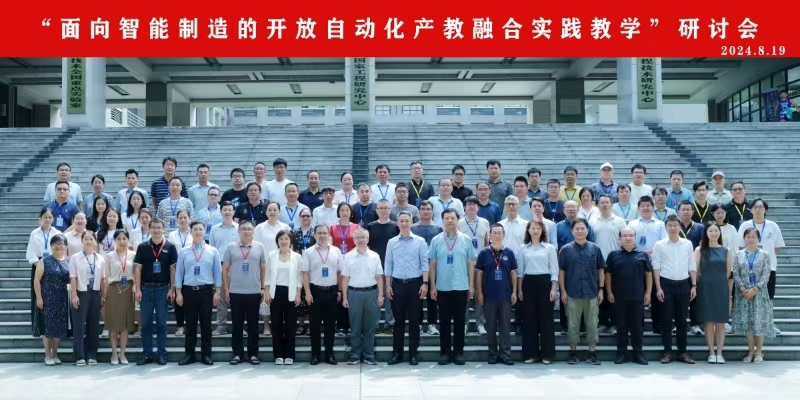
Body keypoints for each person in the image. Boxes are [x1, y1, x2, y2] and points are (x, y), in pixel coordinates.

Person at [429, 209, 476, 365]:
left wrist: (471, 285)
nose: (450, 221)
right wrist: (432, 286)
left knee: (460, 321)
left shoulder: (466, 239)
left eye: (452, 218)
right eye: (447, 218)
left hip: (461, 286)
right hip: (442, 287)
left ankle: (458, 353)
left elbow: (470, 263)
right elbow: (432, 265)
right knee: (444, 321)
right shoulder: (436, 240)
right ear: (442, 221)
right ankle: (444, 352)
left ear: (458, 220)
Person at [175, 221, 222, 366]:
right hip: (189, 291)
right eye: (195, 229)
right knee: (190, 325)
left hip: (206, 291)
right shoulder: (184, 251)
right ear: (190, 232)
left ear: (204, 232)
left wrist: (217, 292)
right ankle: (189, 354)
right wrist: (178, 292)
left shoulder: (212, 251)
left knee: (206, 324)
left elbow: (217, 272)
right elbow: (179, 273)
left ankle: (206, 354)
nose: (198, 232)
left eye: (201, 229)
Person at [559, 218, 605, 365]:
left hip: (592, 293)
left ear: (587, 230)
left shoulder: (595, 249)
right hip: (572, 293)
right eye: (577, 229)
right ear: (572, 231)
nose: (580, 231)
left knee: (592, 324)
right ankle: (573, 353)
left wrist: (601, 290)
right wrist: (563, 292)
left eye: (582, 228)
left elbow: (601, 270)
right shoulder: (565, 250)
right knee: (573, 324)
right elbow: (561, 272)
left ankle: (592, 353)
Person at [384, 212, 429, 365]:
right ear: (397, 223)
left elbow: (424, 263)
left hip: (415, 285)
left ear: (411, 222)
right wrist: (388, 285)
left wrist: (425, 283)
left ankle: (413, 354)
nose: (404, 223)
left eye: (406, 221)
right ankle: (397, 353)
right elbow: (388, 264)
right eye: (401, 221)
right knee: (398, 321)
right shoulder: (392, 242)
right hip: (397, 285)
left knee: (414, 321)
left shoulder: (420, 241)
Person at [652, 215, 697, 364]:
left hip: (684, 285)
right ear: (665, 227)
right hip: (666, 285)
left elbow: (692, 265)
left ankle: (682, 352)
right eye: (670, 225)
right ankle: (667, 352)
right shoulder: (659, 245)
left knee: (682, 320)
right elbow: (656, 267)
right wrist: (658, 288)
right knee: (666, 320)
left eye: (675, 225)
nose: (672, 228)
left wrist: (694, 285)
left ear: (680, 227)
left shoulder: (687, 244)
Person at [605, 226, 652, 365]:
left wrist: (648, 293)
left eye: (630, 235)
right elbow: (608, 275)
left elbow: (648, 275)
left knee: (637, 327)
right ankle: (621, 353)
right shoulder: (613, 255)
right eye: (624, 235)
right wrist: (609, 292)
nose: (628, 238)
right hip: (619, 297)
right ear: (619, 238)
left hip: (637, 297)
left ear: (635, 238)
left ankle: (638, 353)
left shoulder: (643, 255)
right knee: (621, 327)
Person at [134, 219, 179, 366]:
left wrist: (172, 289)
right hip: (146, 289)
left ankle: (161, 354)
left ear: (163, 229)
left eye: (159, 227)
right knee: (146, 325)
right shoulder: (142, 247)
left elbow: (173, 270)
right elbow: (137, 269)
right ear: (149, 229)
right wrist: (138, 289)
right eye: (153, 227)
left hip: (162, 289)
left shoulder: (170, 247)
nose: (156, 230)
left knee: (161, 324)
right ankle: (147, 354)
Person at [223, 220, 267, 365]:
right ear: (238, 231)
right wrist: (226, 288)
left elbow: (263, 269)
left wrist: (263, 288)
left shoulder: (260, 247)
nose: (246, 231)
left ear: (253, 231)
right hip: (235, 291)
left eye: (249, 229)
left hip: (254, 291)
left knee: (253, 325)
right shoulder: (231, 247)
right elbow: (225, 269)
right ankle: (237, 354)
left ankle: (253, 353)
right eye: (243, 229)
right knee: (237, 325)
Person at [737, 198, 784, 335]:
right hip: (747, 269)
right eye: (755, 207)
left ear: (766, 210)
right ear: (751, 210)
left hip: (768, 268)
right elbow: (740, 246)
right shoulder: (745, 225)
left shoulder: (773, 226)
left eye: (760, 207)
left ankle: (769, 324)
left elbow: (777, 247)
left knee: (768, 297)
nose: (758, 209)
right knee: (749, 297)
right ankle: (750, 325)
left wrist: (762, 259)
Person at [301, 224, 344, 365]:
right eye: (319, 233)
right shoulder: (308, 252)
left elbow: (340, 272)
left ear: (329, 235)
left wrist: (339, 290)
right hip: (315, 291)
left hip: (331, 291)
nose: (322, 235)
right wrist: (307, 292)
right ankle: (315, 354)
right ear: (314, 235)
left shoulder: (336, 251)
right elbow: (305, 274)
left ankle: (329, 354)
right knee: (315, 325)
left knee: (330, 325)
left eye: (325, 233)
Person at [475, 224, 518, 365]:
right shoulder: (484, 253)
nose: (497, 235)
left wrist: (514, 292)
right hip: (489, 296)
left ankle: (506, 355)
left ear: (503, 235)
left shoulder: (509, 253)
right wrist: (479, 292)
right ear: (490, 235)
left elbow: (513, 273)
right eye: (494, 233)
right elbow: (479, 274)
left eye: (500, 233)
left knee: (505, 327)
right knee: (491, 327)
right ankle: (493, 354)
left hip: (505, 296)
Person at [732, 228, 775, 363]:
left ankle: (759, 352)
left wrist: (755, 288)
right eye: (748, 236)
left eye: (754, 237)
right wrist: (742, 288)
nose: (751, 239)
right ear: (744, 238)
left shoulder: (764, 254)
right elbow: (736, 273)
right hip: (743, 293)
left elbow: (766, 273)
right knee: (748, 323)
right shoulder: (738, 254)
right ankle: (751, 351)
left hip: (759, 293)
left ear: (758, 239)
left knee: (759, 322)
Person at [341, 228, 384, 365]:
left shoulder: (375, 256)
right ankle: (354, 355)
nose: (360, 240)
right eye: (358, 237)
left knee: (370, 326)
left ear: (368, 239)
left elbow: (379, 277)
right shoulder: (348, 257)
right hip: (354, 294)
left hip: (371, 293)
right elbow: (345, 279)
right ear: (354, 240)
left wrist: (380, 295)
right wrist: (345, 298)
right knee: (355, 326)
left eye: (363, 237)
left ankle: (368, 355)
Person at [517, 220, 558, 364]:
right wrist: (519, 289)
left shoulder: (549, 248)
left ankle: (547, 354)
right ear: (528, 230)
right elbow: (520, 271)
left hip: (545, 283)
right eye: (532, 228)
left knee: (546, 320)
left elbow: (554, 270)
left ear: (542, 231)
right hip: (528, 284)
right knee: (529, 320)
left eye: (538, 228)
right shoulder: (523, 248)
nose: (535, 230)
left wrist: (553, 288)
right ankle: (531, 354)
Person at [695, 222, 733, 364]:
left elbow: (728, 272)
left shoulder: (726, 250)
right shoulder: (700, 250)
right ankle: (711, 352)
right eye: (710, 231)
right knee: (709, 322)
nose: (714, 233)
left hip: (721, 287)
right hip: (705, 288)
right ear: (706, 233)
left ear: (719, 233)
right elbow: (696, 271)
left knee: (721, 322)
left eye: (716, 230)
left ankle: (720, 353)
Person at [264, 230, 303, 365]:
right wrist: (267, 292)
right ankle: (278, 355)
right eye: (281, 239)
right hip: (275, 292)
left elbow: (299, 277)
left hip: (291, 292)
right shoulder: (271, 255)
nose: (284, 241)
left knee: (291, 325)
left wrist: (298, 293)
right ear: (277, 241)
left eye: (286, 239)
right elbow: (267, 276)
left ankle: (290, 355)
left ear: (290, 241)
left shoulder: (297, 257)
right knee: (276, 325)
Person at [32, 234, 71, 366]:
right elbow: (36, 280)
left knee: (59, 329)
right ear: (51, 245)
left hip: (62, 299)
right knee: (47, 328)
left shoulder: (69, 261)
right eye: (56, 243)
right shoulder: (45, 260)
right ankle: (47, 355)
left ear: (66, 246)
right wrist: (39, 298)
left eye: (62, 243)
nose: (59, 246)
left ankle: (55, 354)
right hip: (46, 299)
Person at [69, 231, 106, 366]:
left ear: (95, 241)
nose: (89, 241)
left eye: (91, 239)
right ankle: (79, 356)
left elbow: (102, 278)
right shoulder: (75, 257)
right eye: (86, 239)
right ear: (82, 241)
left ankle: (91, 355)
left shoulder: (100, 258)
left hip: (95, 293)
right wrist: (74, 295)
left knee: (93, 325)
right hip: (81, 292)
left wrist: (103, 295)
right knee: (79, 326)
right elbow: (73, 277)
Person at [366, 199, 400, 334]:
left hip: (391, 266)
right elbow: (367, 246)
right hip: (374, 266)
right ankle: (374, 324)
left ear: (390, 210)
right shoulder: (370, 226)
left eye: (386, 208)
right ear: (377, 211)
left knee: (389, 296)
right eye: (381, 208)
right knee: (375, 296)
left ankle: (389, 324)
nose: (383, 210)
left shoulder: (396, 226)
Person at [104, 230, 137, 365]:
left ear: (128, 240)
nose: (122, 241)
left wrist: (136, 287)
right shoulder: (109, 256)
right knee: (114, 324)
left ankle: (122, 353)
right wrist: (104, 294)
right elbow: (106, 276)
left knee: (125, 325)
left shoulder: (134, 255)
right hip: (113, 289)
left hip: (128, 289)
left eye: (124, 238)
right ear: (114, 240)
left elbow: (137, 274)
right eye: (118, 239)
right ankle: (113, 353)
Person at [411, 200, 443, 335]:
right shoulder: (412, 228)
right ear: (419, 211)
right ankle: (418, 324)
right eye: (423, 209)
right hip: (416, 268)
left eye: (428, 209)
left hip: (433, 267)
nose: (425, 211)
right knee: (417, 297)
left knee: (433, 297)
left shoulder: (438, 229)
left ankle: (431, 324)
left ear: (432, 211)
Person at [27, 209, 62, 330]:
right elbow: (30, 253)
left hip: (54, 266)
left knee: (52, 296)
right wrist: (41, 266)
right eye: (45, 217)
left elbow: (60, 251)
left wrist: (50, 266)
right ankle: (38, 327)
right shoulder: (34, 233)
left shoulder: (58, 233)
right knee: (38, 296)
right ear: (41, 218)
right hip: (38, 265)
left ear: (53, 219)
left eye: (50, 217)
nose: (47, 219)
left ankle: (53, 326)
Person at [167, 209, 192, 336]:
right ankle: (180, 326)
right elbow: (170, 253)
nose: (183, 220)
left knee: (190, 299)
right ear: (177, 220)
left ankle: (189, 325)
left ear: (189, 219)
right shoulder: (172, 235)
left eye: (185, 217)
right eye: (180, 218)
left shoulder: (194, 233)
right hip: (177, 270)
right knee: (178, 298)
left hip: (191, 270)